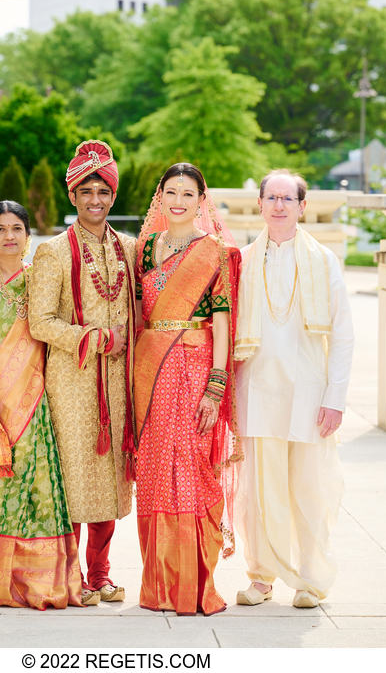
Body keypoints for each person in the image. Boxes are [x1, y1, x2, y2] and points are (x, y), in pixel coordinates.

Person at [0, 200, 83, 609]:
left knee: (37, 492)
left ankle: (36, 582)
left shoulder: (36, 280)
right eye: (0, 229)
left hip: (34, 404)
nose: (9, 236)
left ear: (27, 237)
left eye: (17, 229)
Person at [234, 169, 354, 609]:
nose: (279, 206)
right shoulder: (243, 260)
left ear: (303, 206)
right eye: (272, 198)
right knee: (260, 491)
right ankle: (262, 577)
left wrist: (335, 399)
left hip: (308, 394)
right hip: (258, 392)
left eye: (288, 198)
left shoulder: (323, 261)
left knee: (308, 489)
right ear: (261, 204)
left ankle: (310, 579)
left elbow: (342, 335)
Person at [28, 140, 136, 606]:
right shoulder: (53, 252)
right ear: (72, 197)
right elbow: (40, 321)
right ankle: (70, 575)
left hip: (118, 382)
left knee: (111, 478)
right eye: (86, 191)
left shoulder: (129, 249)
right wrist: (92, 337)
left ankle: (102, 574)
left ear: (113, 196)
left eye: (103, 191)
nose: (95, 199)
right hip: (72, 381)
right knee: (74, 476)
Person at [134, 163, 242, 615]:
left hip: (197, 368)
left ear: (202, 200)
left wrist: (216, 386)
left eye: (188, 193)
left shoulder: (215, 251)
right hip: (150, 370)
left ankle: (196, 585)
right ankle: (158, 586)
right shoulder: (144, 250)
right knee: (157, 470)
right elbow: (139, 313)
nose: (179, 201)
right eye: (171, 192)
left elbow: (222, 322)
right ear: (161, 197)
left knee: (194, 469)